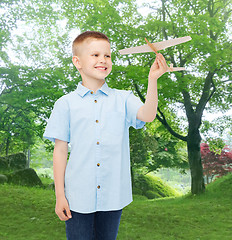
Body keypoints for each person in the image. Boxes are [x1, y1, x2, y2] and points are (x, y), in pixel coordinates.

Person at [43, 31, 168, 240]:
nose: (103, 60)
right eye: (95, 55)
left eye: (107, 56)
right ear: (77, 61)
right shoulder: (65, 104)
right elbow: (60, 149)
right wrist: (60, 195)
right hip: (77, 196)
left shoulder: (123, 98)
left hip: (113, 196)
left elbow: (147, 115)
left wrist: (152, 80)